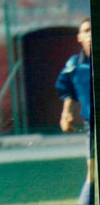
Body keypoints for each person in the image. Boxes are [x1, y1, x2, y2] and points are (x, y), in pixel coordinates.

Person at [56, 18, 93, 205]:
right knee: (92, 173)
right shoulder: (75, 65)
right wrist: (66, 112)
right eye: (86, 31)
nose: (90, 35)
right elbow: (65, 88)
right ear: (79, 37)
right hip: (92, 126)